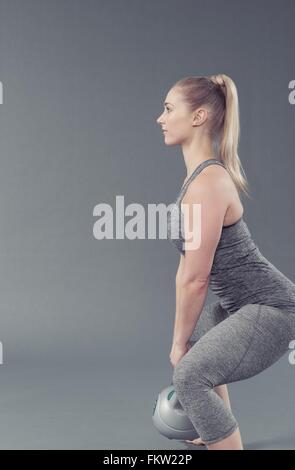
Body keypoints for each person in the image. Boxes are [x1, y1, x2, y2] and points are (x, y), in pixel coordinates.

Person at [156, 74, 295, 450]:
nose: (160, 118)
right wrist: (182, 338)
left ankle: (228, 445)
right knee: (196, 350)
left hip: (274, 308)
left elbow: (197, 280)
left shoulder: (206, 184)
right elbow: (186, 268)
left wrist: (177, 343)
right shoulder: (196, 180)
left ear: (198, 116)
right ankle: (213, 431)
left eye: (169, 109)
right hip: (242, 305)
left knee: (188, 375)